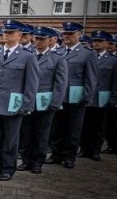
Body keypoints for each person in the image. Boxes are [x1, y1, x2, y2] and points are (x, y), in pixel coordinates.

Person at [0, 20, 39, 181]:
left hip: (14, 104)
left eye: (11, 33)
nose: (6, 35)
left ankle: (8, 168)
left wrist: (27, 105)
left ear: (19, 35)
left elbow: (31, 84)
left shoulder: (28, 57)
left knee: (11, 140)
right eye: (5, 32)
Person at [18, 26, 67, 174]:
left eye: (42, 39)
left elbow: (60, 83)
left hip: (45, 101)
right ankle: (26, 160)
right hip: (28, 100)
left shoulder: (57, 58)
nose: (38, 41)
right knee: (26, 131)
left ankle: (38, 162)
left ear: (50, 40)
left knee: (42, 132)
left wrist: (55, 103)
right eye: (36, 38)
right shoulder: (27, 55)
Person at [48, 22, 97, 169]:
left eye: (70, 34)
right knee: (56, 127)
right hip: (59, 97)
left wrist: (87, 97)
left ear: (79, 35)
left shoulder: (88, 54)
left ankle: (69, 156)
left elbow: (91, 78)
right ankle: (56, 154)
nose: (67, 36)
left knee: (73, 129)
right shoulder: (58, 52)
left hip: (76, 98)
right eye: (65, 34)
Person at [79, 30, 116, 161]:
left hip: (102, 98)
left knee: (99, 126)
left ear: (107, 43)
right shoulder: (86, 56)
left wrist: (113, 98)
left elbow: (115, 82)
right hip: (86, 97)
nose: (96, 43)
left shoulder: (112, 61)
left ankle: (95, 150)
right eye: (94, 41)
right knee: (84, 125)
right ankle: (84, 149)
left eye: (100, 41)